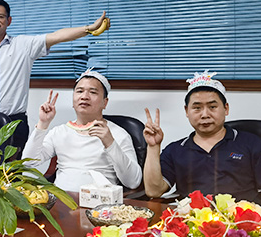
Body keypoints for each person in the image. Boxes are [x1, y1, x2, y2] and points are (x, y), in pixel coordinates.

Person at [0, 0, 109, 151]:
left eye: (0, 16)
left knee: (12, 174)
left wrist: (89, 28)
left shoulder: (23, 45)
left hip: (14, 122)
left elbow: (57, 36)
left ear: (9, 21)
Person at [143, 70, 261, 202]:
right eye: (197, 108)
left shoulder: (252, 143)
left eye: (212, 107)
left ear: (226, 109)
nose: (205, 114)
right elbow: (154, 191)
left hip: (242, 218)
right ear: (187, 111)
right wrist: (153, 147)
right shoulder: (175, 150)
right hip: (191, 219)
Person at [22, 70, 142, 192]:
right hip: (60, 203)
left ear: (104, 102)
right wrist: (43, 123)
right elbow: (28, 162)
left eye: (93, 92)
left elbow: (133, 182)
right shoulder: (59, 132)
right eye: (79, 91)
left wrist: (110, 143)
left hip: (100, 205)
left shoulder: (118, 134)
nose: (84, 96)